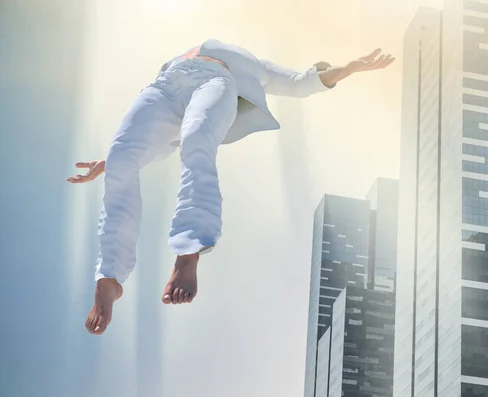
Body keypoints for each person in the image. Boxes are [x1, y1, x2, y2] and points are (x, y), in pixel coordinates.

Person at [67, 39, 394, 335]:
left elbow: (301, 82)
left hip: (214, 81)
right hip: (163, 88)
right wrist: (113, 159)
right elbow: (142, 140)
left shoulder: (255, 65)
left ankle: (189, 249)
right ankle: (109, 277)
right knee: (121, 158)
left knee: (196, 140)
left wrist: (350, 68)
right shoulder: (184, 54)